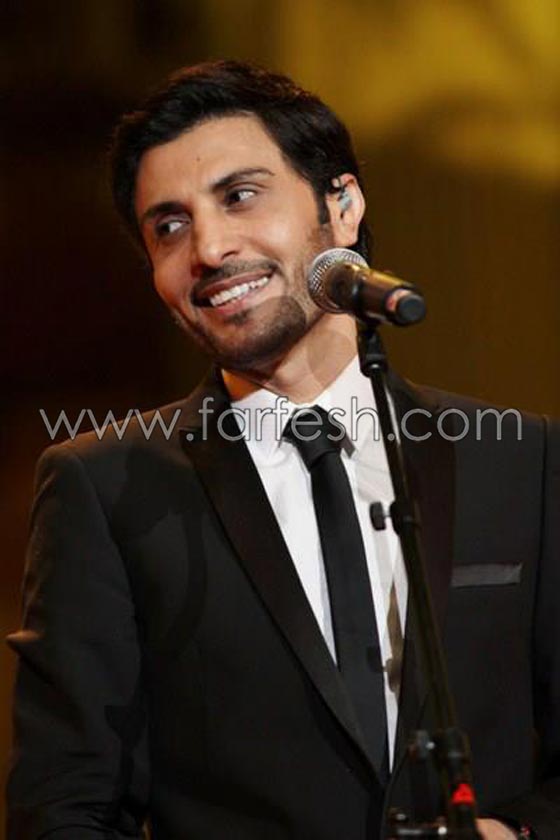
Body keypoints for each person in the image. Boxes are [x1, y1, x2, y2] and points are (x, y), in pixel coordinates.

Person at [7, 61, 559, 840]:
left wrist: (519, 833)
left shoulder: (519, 461)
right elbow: (64, 808)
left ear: (343, 206)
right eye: (169, 226)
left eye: (239, 196)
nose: (208, 247)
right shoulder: (104, 490)